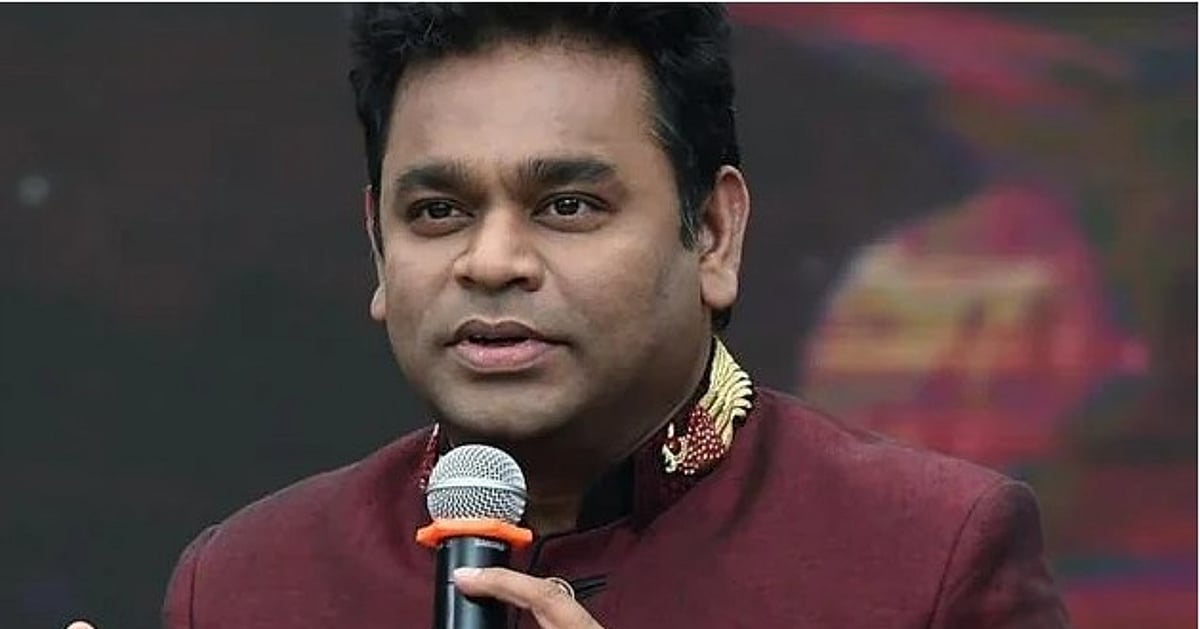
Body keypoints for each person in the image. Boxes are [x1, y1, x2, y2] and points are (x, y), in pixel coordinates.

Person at [162, 5, 1069, 628]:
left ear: (712, 233)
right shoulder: (246, 584)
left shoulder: (927, 558)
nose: (492, 261)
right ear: (377, 247)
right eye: (437, 211)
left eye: (568, 206)